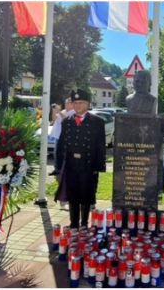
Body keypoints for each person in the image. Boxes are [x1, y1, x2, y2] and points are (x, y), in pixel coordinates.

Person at [55, 90, 106, 229]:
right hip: (71, 165)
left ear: (88, 104)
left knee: (86, 195)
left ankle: (84, 223)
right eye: (75, 103)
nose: (77, 106)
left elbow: (101, 146)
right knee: (73, 196)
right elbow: (61, 144)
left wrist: (98, 168)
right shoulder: (67, 122)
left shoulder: (97, 122)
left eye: (81, 103)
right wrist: (59, 166)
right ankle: (73, 223)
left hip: (88, 165)